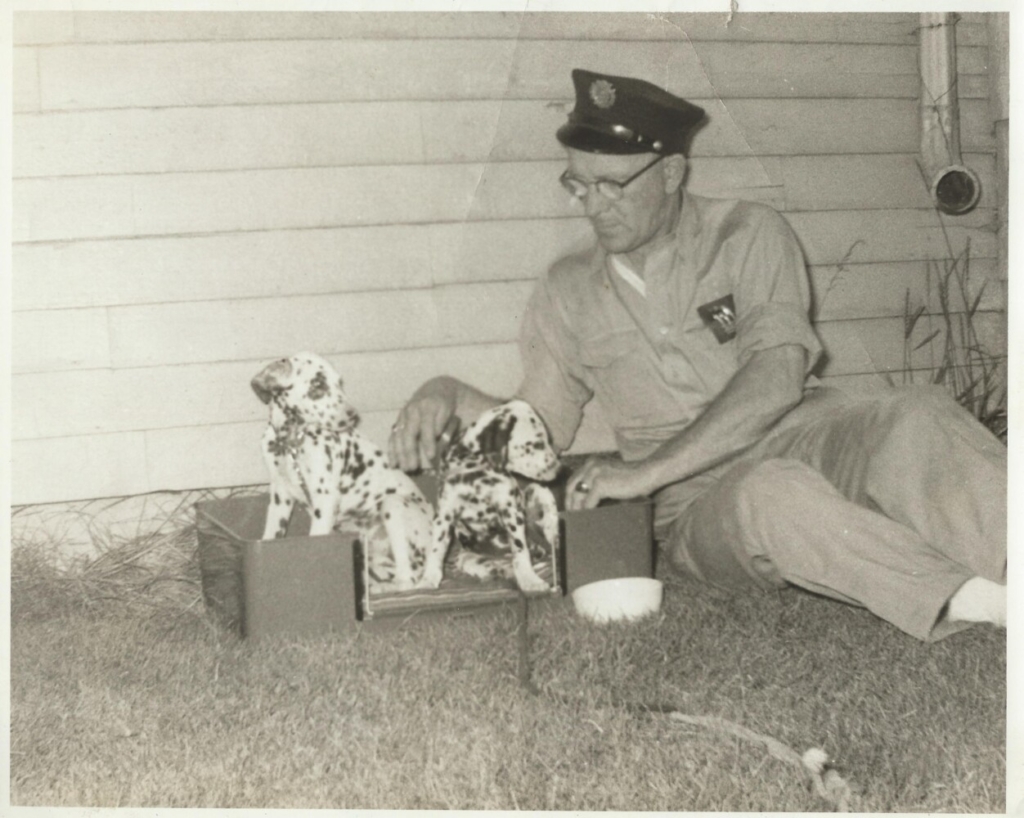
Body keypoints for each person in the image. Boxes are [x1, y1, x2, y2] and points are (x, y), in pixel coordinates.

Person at [388, 69, 1007, 641]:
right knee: (771, 493)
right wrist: (448, 392)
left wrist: (642, 470)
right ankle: (975, 602)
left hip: (807, 435)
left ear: (672, 174)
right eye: (579, 182)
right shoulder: (565, 288)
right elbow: (538, 427)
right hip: (699, 507)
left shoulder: (748, 233)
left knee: (917, 413)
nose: (593, 205)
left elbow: (775, 377)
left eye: (613, 185)